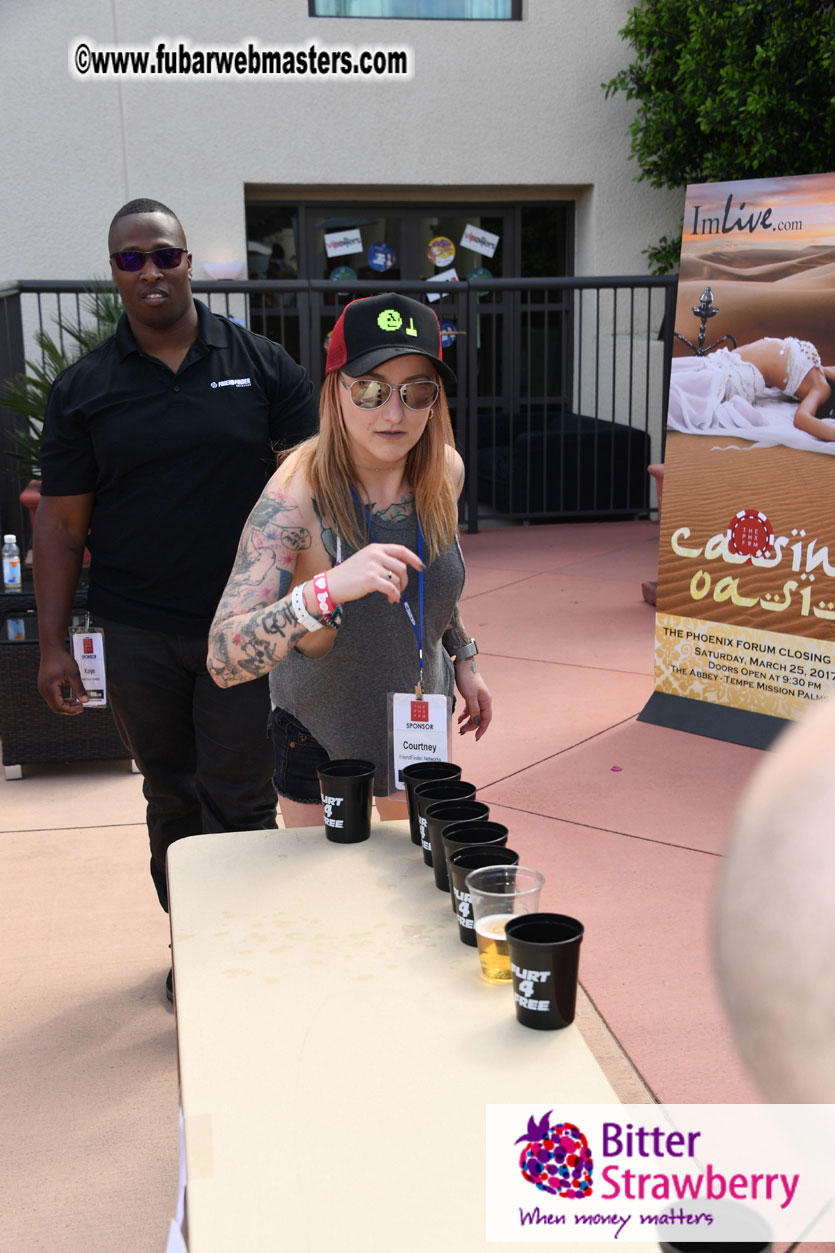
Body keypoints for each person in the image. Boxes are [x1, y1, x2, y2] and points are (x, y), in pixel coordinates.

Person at [35, 199, 318, 997]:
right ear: (115, 272)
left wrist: (310, 612)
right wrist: (53, 645)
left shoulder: (260, 363)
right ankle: (191, 944)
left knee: (240, 793)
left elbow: (311, 495)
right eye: (131, 259)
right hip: (137, 631)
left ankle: (244, 952)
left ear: (188, 260)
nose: (150, 271)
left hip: (244, 627)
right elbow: (60, 525)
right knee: (171, 791)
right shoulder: (85, 388)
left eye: (164, 254)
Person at [207, 291, 492, 827]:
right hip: (320, 739)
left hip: (417, 722)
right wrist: (327, 589)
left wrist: (463, 659)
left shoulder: (443, 472)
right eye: (370, 389)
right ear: (335, 391)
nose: (394, 413)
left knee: (410, 871)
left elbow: (430, 580)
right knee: (329, 881)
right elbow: (223, 658)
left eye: (417, 391)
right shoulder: (294, 500)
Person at [668, 335, 835, 446]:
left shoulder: (821, 388)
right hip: (721, 361)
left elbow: (801, 418)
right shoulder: (820, 369)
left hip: (732, 378)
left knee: (669, 394)